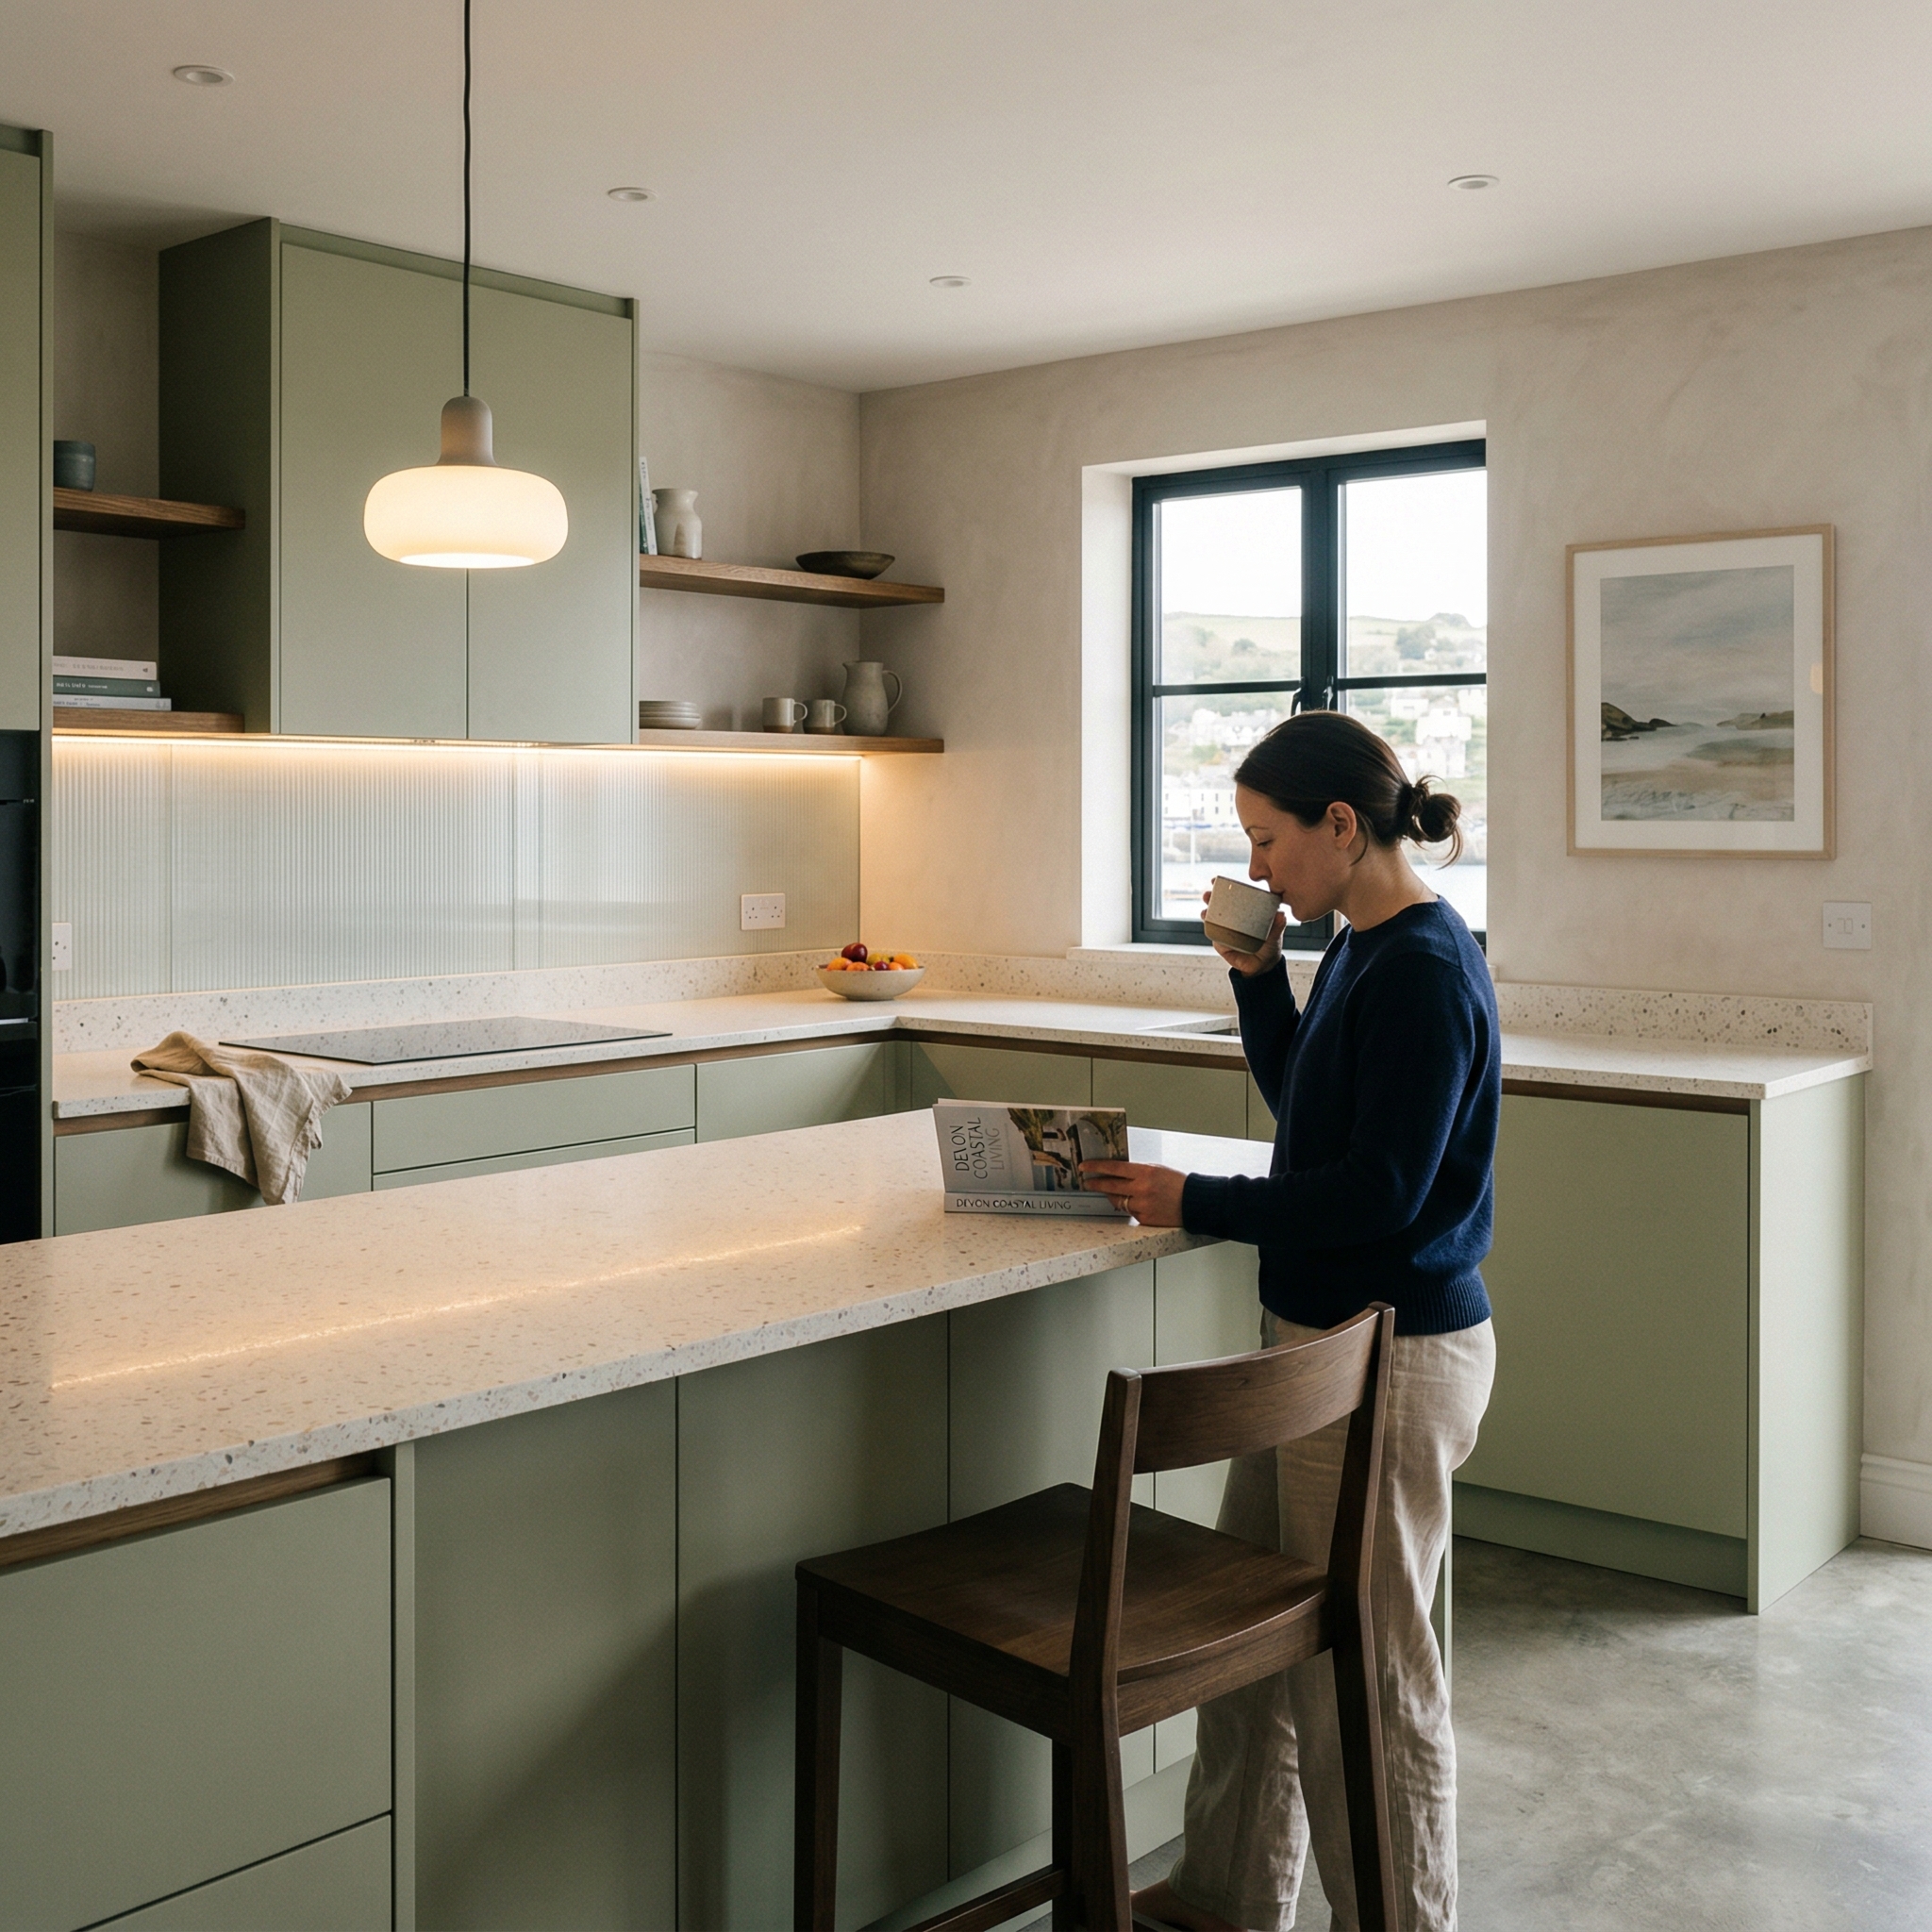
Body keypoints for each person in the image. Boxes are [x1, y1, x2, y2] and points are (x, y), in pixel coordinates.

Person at [1082, 709, 1499, 1932]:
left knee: (1363, 1681)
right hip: (1321, 1351)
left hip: (1395, 1358)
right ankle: (1223, 1898)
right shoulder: (1367, 944)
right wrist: (1257, 978)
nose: (1258, 868)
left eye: (1269, 842)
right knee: (1253, 1661)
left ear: (1340, 825)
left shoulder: (1421, 965)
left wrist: (1193, 1198)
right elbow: (1311, 1113)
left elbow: (1382, 1192)